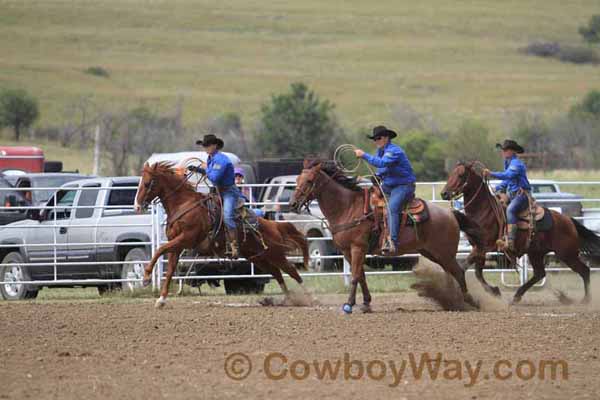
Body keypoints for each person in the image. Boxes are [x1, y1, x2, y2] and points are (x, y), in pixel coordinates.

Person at [354, 125, 416, 253]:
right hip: (389, 186)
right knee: (369, 201)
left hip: (403, 186)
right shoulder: (381, 152)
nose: (376, 141)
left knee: (392, 208)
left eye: (378, 138)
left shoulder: (394, 151)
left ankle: (392, 242)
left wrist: (363, 155)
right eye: (374, 139)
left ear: (386, 138)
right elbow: (382, 169)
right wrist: (377, 176)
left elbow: (382, 163)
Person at [188, 134, 241, 258]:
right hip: (217, 191)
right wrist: (198, 170)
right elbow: (211, 174)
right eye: (204, 146)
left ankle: (235, 246)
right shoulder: (211, 158)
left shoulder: (221, 160)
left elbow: (215, 177)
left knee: (227, 216)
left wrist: (205, 170)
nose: (205, 148)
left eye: (208, 145)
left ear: (215, 145)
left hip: (228, 192)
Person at [483, 139, 531, 252]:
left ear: (512, 151)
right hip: (512, 194)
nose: (503, 152)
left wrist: (491, 174)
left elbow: (507, 175)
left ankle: (510, 242)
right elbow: (508, 180)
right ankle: (499, 235)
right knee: (496, 206)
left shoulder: (516, 164)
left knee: (510, 210)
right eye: (503, 150)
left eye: (506, 150)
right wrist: (497, 188)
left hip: (522, 195)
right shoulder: (508, 163)